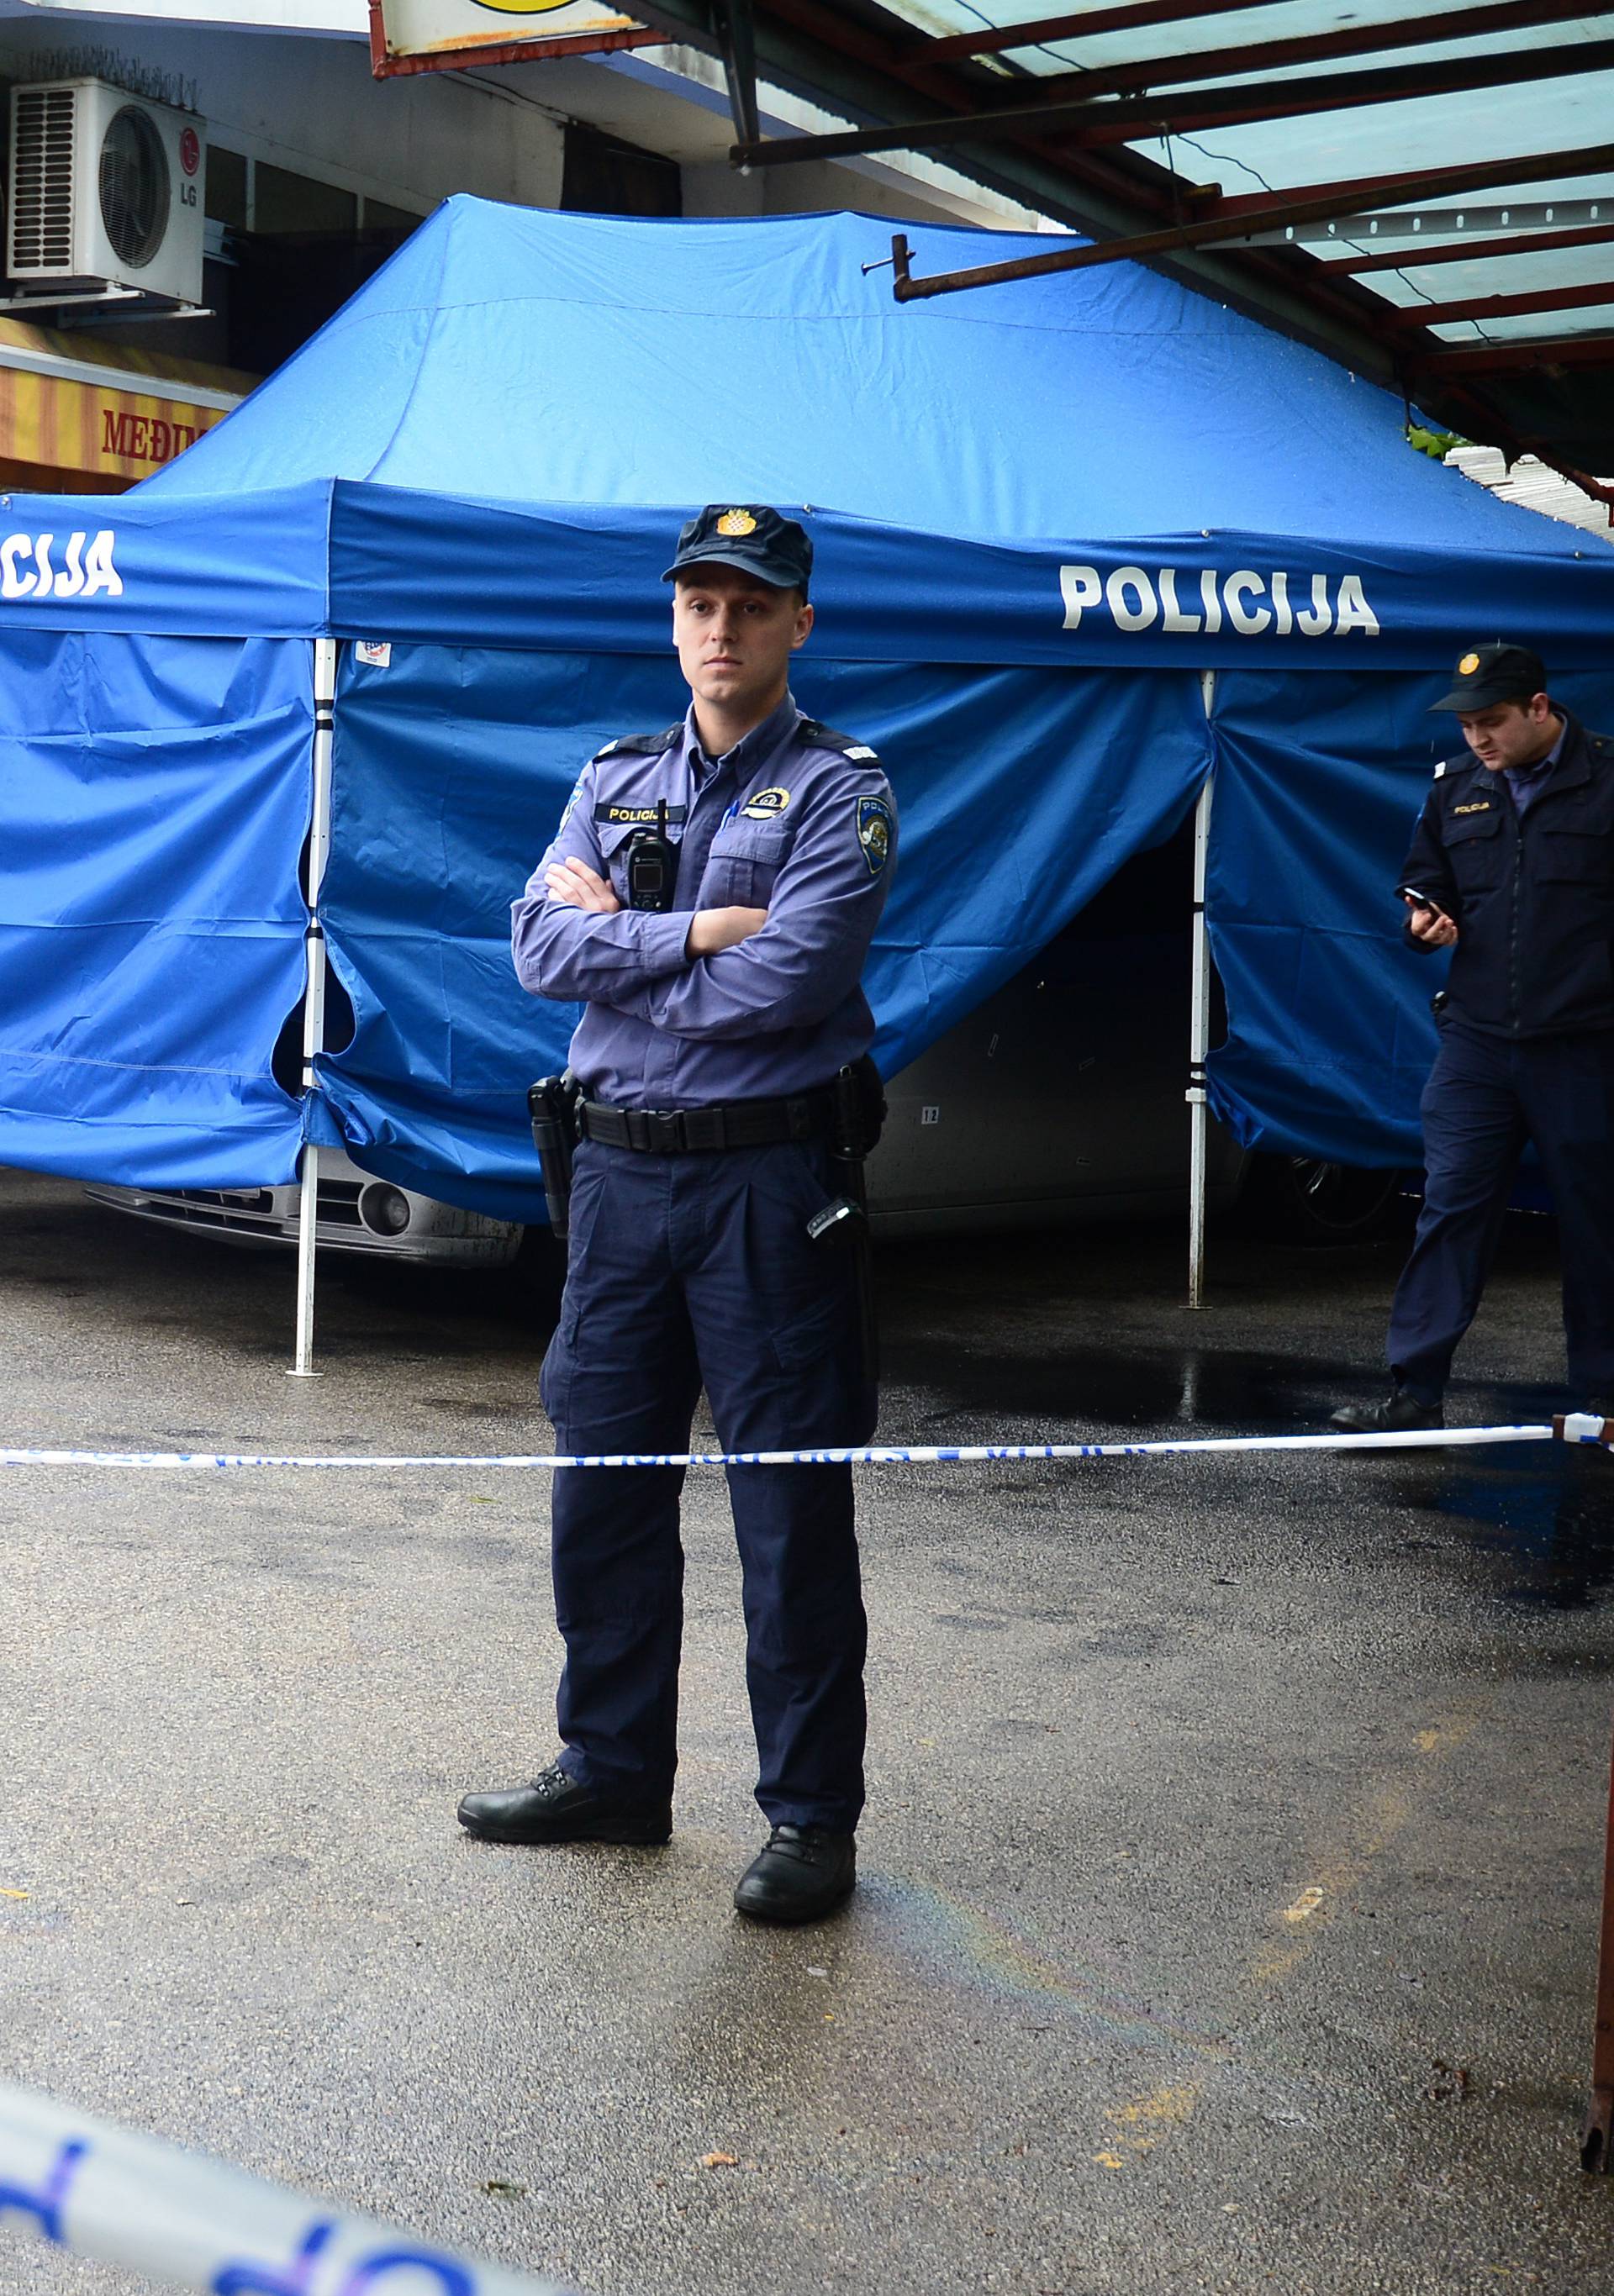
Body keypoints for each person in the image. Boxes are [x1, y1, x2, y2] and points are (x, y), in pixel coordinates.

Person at [458, 504, 898, 1925]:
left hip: (770, 1184)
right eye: (701, 602)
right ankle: (612, 1765)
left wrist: (624, 952)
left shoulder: (839, 789)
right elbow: (537, 944)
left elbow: (793, 985)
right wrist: (701, 930)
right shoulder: (615, 773)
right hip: (618, 1178)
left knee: (787, 1505)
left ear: (799, 623)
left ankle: (810, 1818)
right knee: (603, 1485)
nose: (723, 627)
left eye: (753, 605)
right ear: (673, 620)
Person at [1332, 642, 1614, 1434]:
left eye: (1492, 722)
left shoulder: (1606, 780)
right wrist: (1424, 922)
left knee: (1596, 1221)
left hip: (1585, 1044)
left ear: (1541, 708)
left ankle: (1606, 1396)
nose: (1478, 740)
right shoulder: (1455, 790)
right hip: (1479, 1044)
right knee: (1450, 1205)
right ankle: (1412, 1393)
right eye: (1466, 726)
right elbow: (1427, 886)